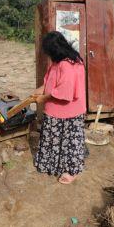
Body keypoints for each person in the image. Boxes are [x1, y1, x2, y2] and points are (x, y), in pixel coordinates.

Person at [33, 31, 86, 184]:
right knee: (54, 140)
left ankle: (71, 170)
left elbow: (64, 91)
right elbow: (51, 81)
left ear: (55, 50)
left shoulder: (67, 64)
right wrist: (40, 89)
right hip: (56, 111)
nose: (48, 55)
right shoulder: (59, 61)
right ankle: (52, 164)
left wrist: (44, 97)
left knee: (69, 143)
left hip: (68, 112)